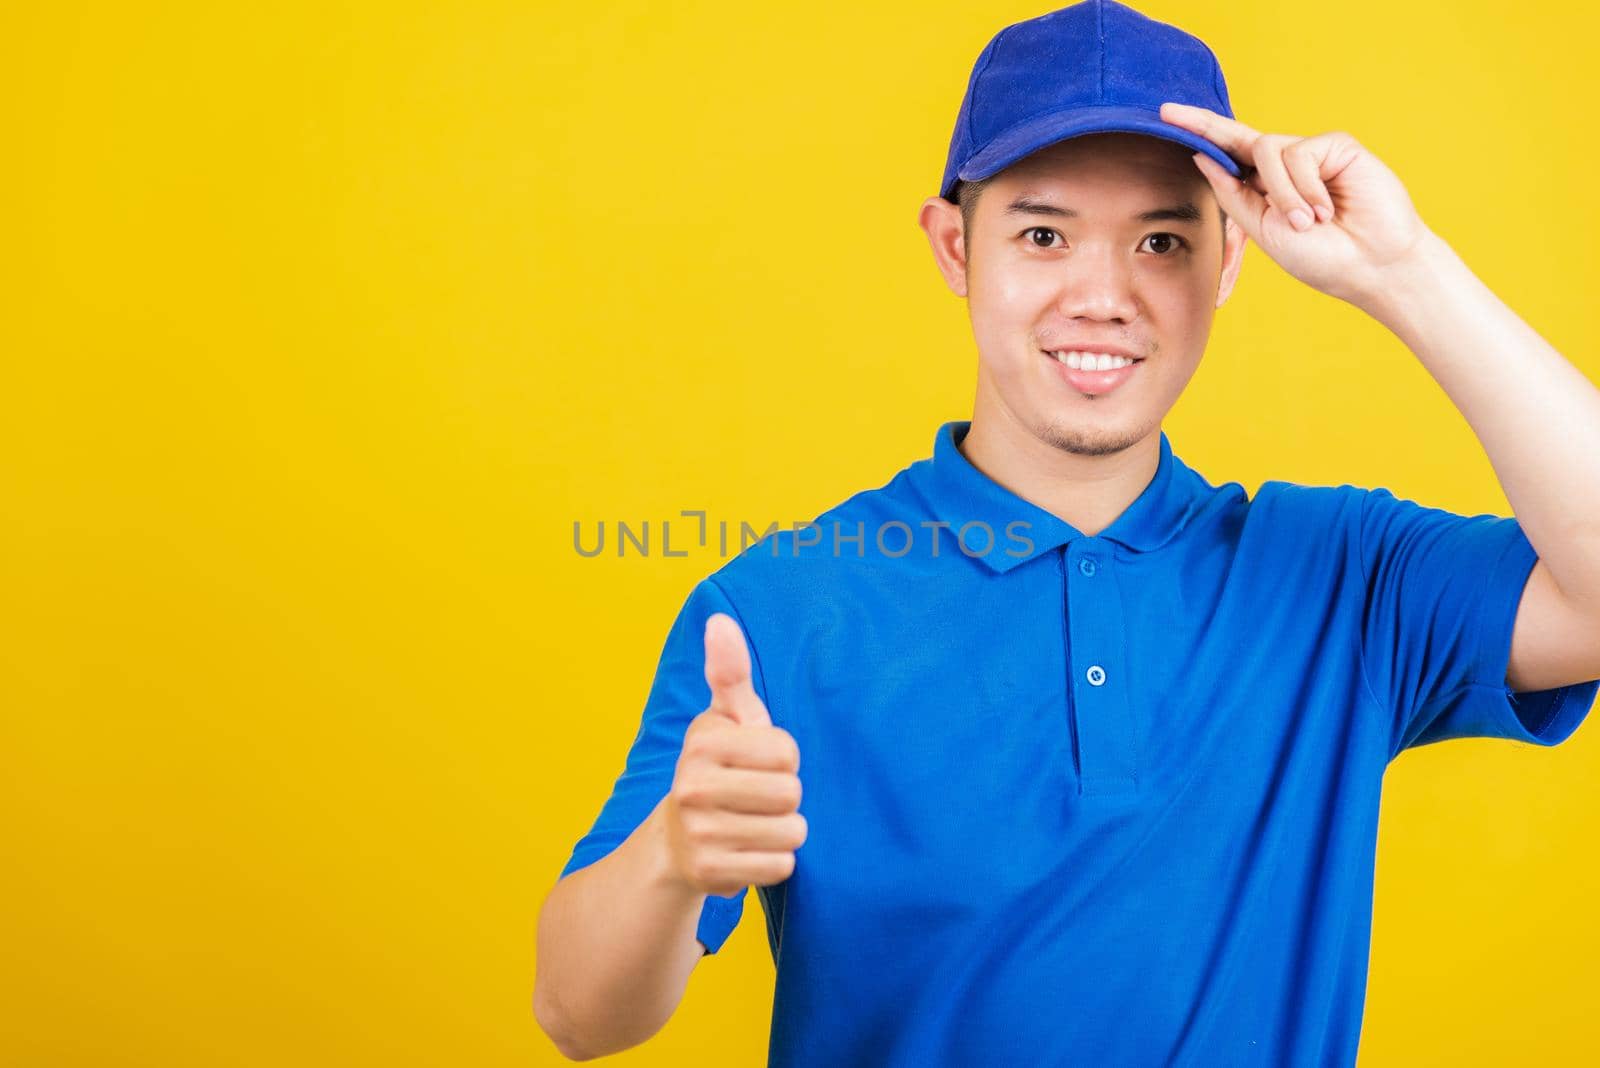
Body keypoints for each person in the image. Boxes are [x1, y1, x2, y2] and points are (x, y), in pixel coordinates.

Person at [534, 1, 1600, 1063]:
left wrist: (1402, 273)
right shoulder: (780, 610)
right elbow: (578, 1015)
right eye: (1043, 235)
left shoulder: (1349, 583)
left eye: (1162, 241)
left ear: (1228, 265)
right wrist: (674, 859)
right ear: (956, 247)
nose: (1102, 295)